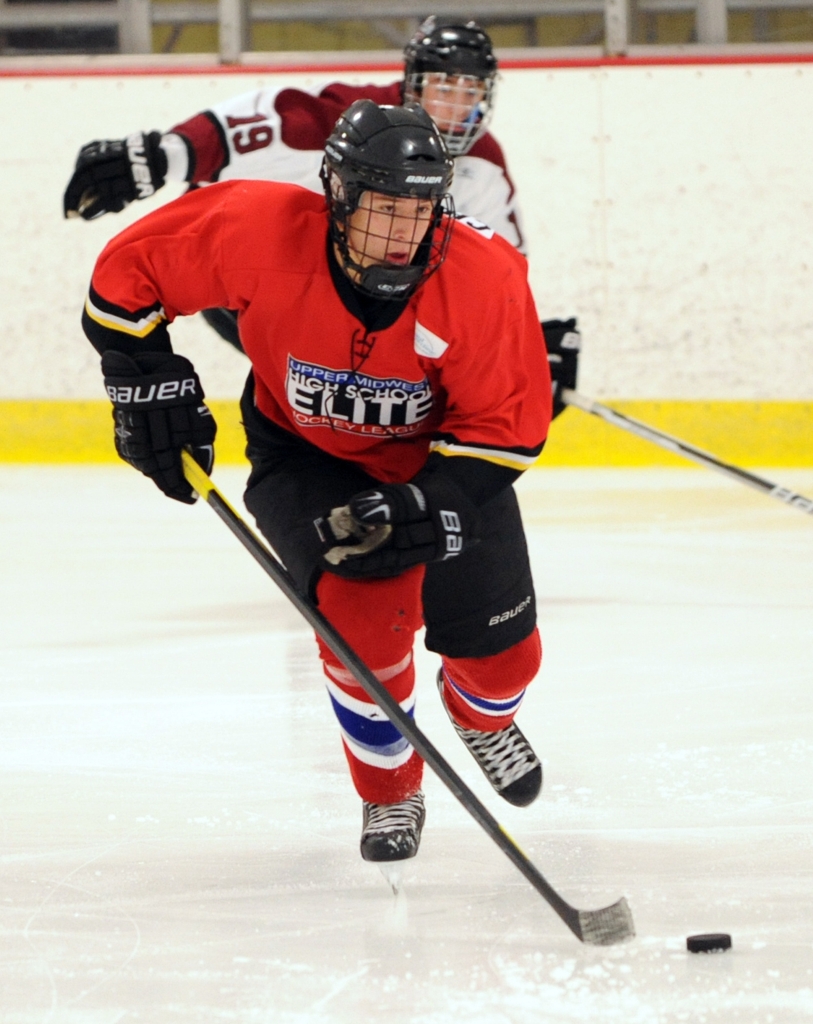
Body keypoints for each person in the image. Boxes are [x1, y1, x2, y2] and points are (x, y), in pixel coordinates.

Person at [82, 99, 551, 865]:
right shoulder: (255, 228)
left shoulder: (481, 279)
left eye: (420, 211)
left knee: (504, 661)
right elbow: (123, 280)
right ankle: (390, 792)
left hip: (438, 465)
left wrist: (432, 502)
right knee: (363, 625)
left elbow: (507, 431)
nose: (404, 234)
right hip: (304, 456)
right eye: (383, 210)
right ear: (337, 194)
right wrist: (144, 377)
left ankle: (481, 719)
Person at [63, 16, 580, 416]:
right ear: (412, 83)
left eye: (471, 93)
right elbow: (261, 119)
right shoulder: (358, 122)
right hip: (267, 282)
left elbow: (497, 273)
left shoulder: (483, 162)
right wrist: (162, 154)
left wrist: (528, 344)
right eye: (445, 87)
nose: (456, 108)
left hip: (366, 296)